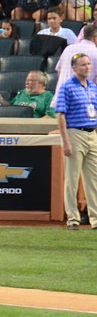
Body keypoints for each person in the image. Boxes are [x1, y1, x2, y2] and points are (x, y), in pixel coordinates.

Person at [55, 53, 97, 229]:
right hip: (75, 133)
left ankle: (95, 219)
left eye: (88, 64)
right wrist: (66, 142)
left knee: (93, 179)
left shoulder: (93, 86)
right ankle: (73, 218)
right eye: (82, 65)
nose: (87, 67)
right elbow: (61, 115)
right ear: (74, 68)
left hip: (91, 133)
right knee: (72, 179)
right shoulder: (67, 87)